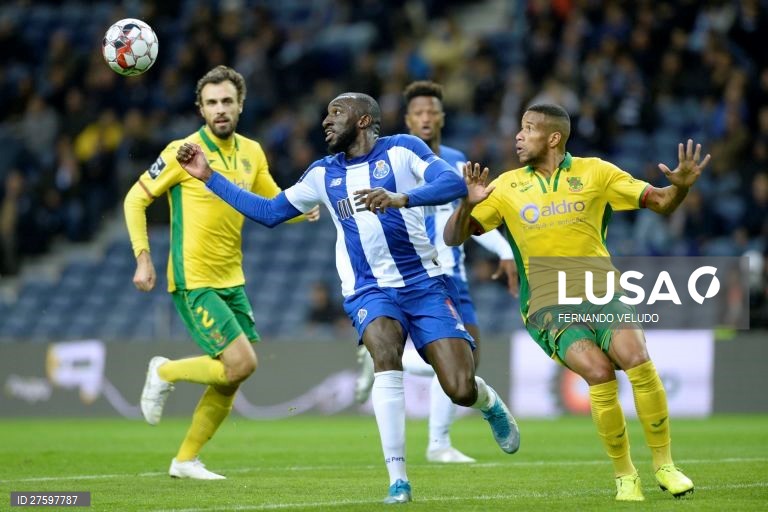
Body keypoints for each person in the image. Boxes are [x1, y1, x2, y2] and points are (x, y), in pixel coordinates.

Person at [176, 92, 520, 504]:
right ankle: (398, 480)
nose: (326, 120)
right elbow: (269, 213)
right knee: (384, 354)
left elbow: (451, 183)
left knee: (459, 387)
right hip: (368, 288)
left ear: (363, 120)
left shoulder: (403, 149)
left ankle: (488, 402)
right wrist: (208, 175)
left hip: (425, 282)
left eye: (336, 112)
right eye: (326, 113)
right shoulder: (323, 174)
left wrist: (400, 198)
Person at [444, 103, 710, 501]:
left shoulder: (596, 172)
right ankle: (625, 475)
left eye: (528, 128)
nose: (518, 136)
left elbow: (660, 201)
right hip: (547, 303)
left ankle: (665, 465)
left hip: (603, 290)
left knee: (636, 358)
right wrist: (467, 203)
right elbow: (453, 237)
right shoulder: (506, 186)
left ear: (553, 138)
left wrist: (683, 187)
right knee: (599, 372)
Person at [124, 65, 317, 480]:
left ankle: (185, 460)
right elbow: (133, 201)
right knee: (241, 364)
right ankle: (164, 370)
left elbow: (275, 204)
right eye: (211, 103)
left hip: (233, 279)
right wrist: (143, 256)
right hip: (194, 279)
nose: (220, 109)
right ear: (200, 108)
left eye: (227, 101)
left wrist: (307, 209)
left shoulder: (253, 152)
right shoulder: (183, 151)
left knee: (230, 379)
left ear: (240, 105)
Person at [354, 80, 517, 464]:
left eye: (432, 112)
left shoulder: (458, 165)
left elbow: (475, 216)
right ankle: (437, 441)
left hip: (453, 273)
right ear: (408, 120)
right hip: (414, 275)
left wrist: (505, 249)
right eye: (419, 113)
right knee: (455, 363)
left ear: (442, 117)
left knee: (466, 362)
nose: (426, 118)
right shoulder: (391, 161)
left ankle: (437, 442)